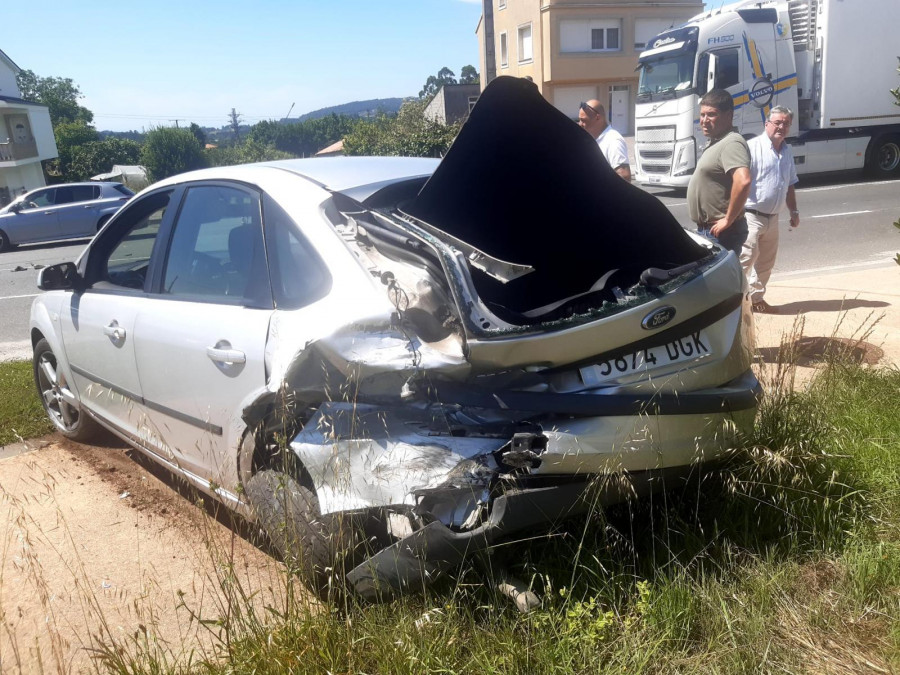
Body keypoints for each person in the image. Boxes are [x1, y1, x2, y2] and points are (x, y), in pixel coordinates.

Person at [740, 106, 800, 314]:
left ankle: (757, 300)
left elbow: (790, 183)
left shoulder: (787, 151)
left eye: (786, 123)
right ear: (767, 124)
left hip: (773, 218)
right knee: (744, 260)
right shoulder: (752, 147)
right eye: (777, 122)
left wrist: (794, 211)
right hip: (751, 215)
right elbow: (739, 182)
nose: (781, 127)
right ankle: (733, 303)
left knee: (765, 263)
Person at [687, 89, 751, 255]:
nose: (704, 121)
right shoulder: (717, 142)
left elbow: (743, 181)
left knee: (719, 280)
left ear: (728, 116)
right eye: (702, 115)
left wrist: (728, 219)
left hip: (721, 232)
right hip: (711, 231)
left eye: (711, 115)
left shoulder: (732, 142)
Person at [578, 100, 632, 181]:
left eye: (584, 120)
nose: (580, 124)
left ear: (598, 117)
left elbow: (625, 177)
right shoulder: (592, 139)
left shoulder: (613, 140)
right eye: (579, 120)